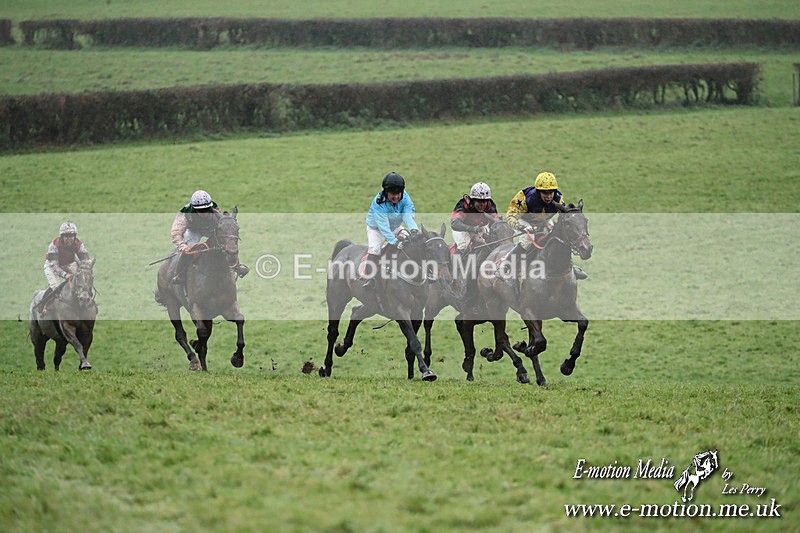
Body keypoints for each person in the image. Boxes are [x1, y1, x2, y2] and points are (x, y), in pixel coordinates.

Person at [506, 171, 588, 279]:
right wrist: (522, 227)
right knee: (527, 241)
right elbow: (510, 216)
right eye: (545, 193)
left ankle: (571, 267)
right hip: (524, 220)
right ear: (538, 192)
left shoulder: (558, 198)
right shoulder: (525, 198)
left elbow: (565, 215)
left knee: (557, 237)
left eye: (551, 192)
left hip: (543, 220)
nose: (548, 196)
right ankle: (506, 265)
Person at [170, 190, 249, 284]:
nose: (204, 213)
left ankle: (237, 266)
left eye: (206, 209)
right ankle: (179, 275)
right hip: (193, 230)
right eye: (200, 210)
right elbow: (176, 232)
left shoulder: (215, 209)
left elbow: (222, 224)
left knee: (227, 242)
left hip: (210, 228)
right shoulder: (185, 213)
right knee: (189, 249)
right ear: (194, 209)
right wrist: (182, 246)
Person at [363, 172, 419, 289]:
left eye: (398, 194)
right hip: (376, 229)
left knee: (411, 243)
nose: (396, 197)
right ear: (386, 192)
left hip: (395, 227)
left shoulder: (405, 198)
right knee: (375, 249)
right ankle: (369, 279)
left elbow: (407, 214)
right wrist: (395, 242)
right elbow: (383, 227)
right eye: (392, 194)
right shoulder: (378, 202)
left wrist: (413, 229)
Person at [38, 221, 90, 312]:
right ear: (62, 237)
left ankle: (83, 301)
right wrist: (65, 275)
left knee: (80, 280)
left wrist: (86, 268)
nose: (69, 239)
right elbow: (54, 266)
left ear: (75, 236)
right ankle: (43, 304)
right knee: (55, 286)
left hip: (68, 264)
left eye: (71, 236)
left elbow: (84, 259)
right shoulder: (54, 245)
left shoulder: (79, 244)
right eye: (66, 236)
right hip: (52, 266)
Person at [450, 181, 500, 255]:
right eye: (479, 201)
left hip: (479, 228)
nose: (482, 205)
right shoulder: (464, 205)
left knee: (490, 244)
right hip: (462, 230)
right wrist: (472, 229)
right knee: (464, 246)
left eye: (484, 201)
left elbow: (496, 222)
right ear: (473, 200)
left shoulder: (490, 206)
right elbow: (454, 223)